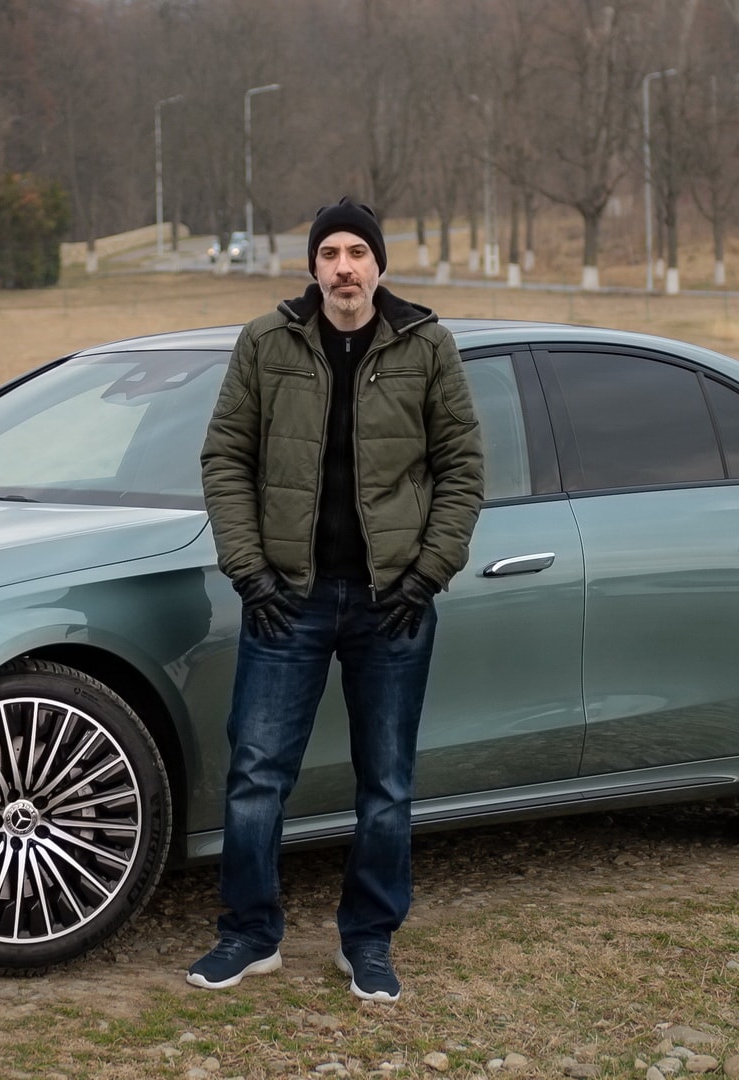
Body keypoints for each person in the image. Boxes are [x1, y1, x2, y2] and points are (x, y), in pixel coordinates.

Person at [191, 197, 484, 1002]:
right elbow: (226, 459)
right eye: (331, 254)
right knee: (256, 774)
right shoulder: (267, 342)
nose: (345, 267)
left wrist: (427, 575)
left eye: (358, 251)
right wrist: (249, 573)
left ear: (379, 264)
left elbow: (463, 469)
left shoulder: (426, 346)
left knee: (385, 782)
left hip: (392, 603)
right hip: (289, 598)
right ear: (313, 266)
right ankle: (249, 936)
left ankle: (369, 941)